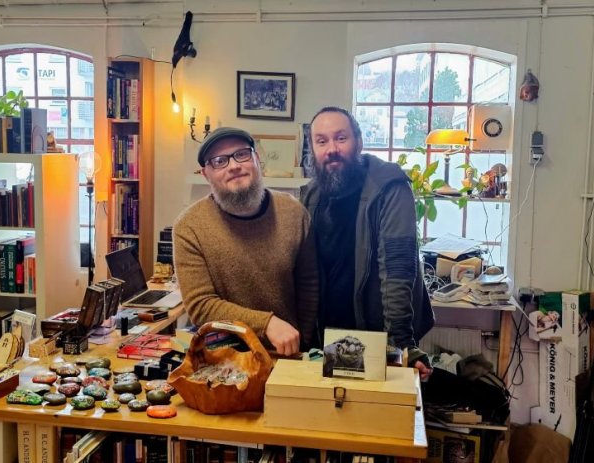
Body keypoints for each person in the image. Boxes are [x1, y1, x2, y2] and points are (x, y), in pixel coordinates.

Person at [299, 106, 435, 379]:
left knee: (375, 402)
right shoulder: (312, 195)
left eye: (341, 138)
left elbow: (397, 268)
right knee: (334, 400)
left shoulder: (389, 185)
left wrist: (401, 344)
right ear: (312, 149)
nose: (332, 149)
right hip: (329, 336)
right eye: (321, 141)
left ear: (359, 142)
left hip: (378, 336)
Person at [173, 127, 318, 356]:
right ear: (206, 174)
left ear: (257, 160)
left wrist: (302, 340)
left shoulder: (294, 213)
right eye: (219, 161)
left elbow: (309, 285)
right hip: (224, 359)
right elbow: (201, 305)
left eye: (242, 154)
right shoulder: (189, 227)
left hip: (285, 353)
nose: (233, 166)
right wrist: (266, 324)